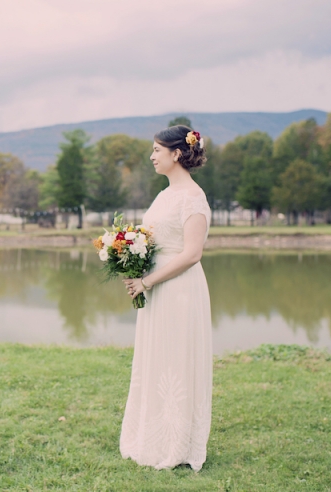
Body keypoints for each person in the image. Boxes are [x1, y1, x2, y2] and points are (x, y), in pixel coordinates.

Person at [119, 125, 212, 471]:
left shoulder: (193, 199)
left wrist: (149, 281)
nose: (151, 156)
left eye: (157, 150)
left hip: (180, 290)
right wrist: (128, 255)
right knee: (156, 358)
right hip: (155, 285)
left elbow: (191, 254)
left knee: (177, 360)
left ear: (177, 153)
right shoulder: (163, 196)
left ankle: (178, 443)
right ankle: (151, 437)